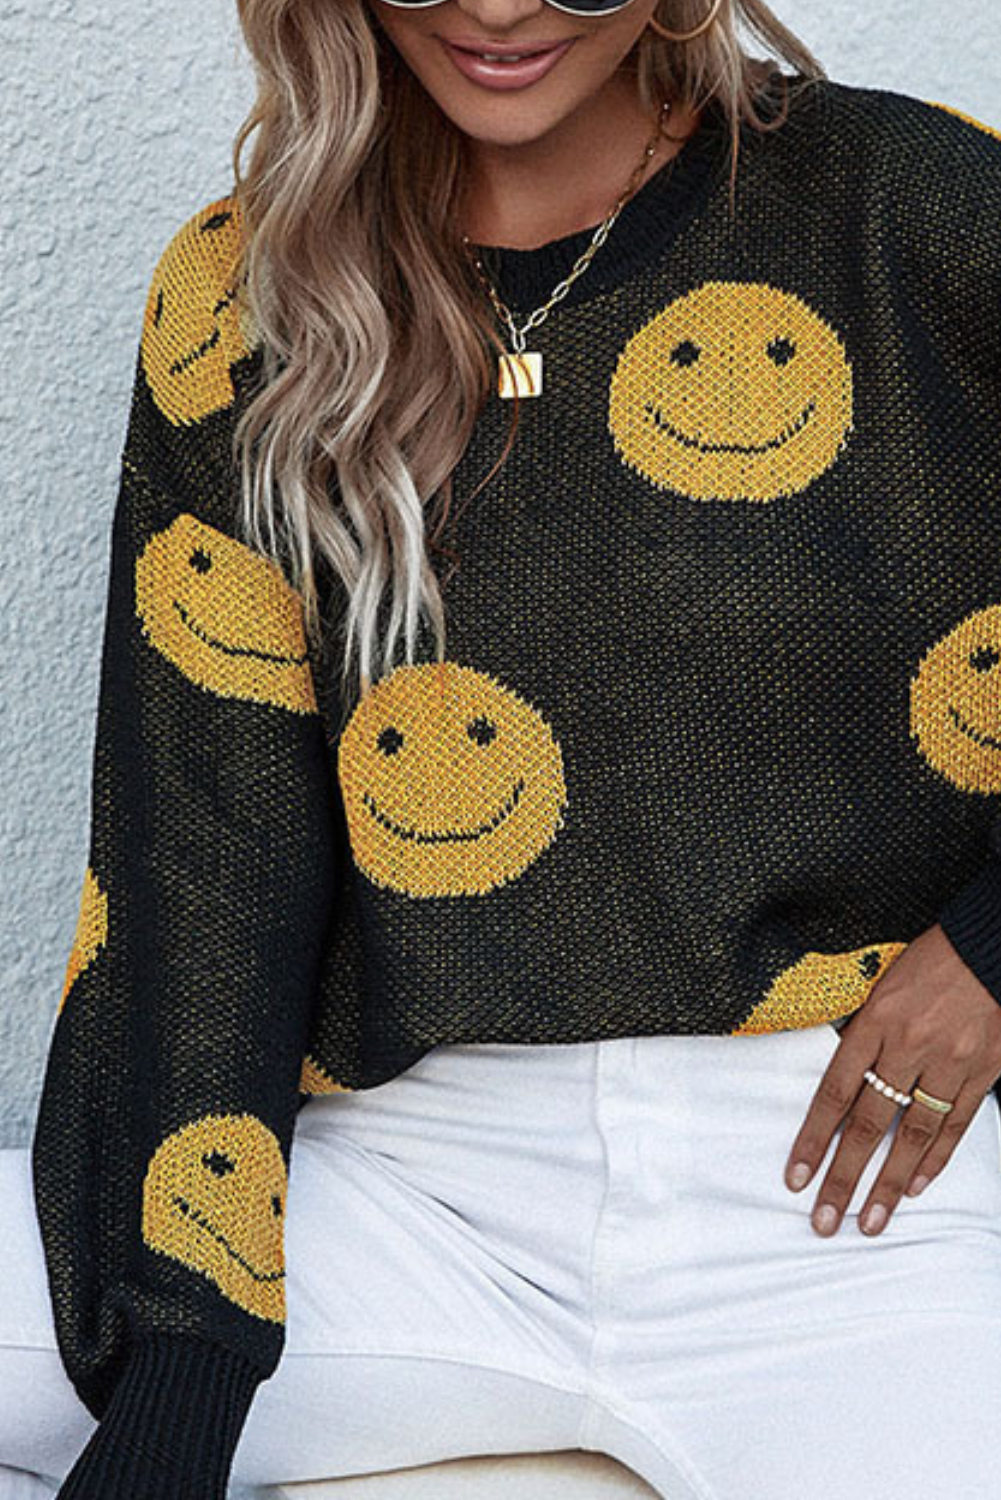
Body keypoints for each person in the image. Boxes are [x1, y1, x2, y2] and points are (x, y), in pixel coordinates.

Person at [3, 0, 1001, 1495]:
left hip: (845, 1180)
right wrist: (183, 1381)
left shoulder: (912, 207)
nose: (495, 9)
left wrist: (991, 949)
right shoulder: (246, 289)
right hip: (407, 1186)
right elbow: (208, 855)